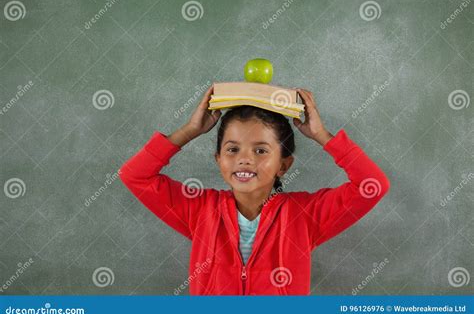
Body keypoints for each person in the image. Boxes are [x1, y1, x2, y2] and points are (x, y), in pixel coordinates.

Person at [119, 85, 390, 295]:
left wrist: (322, 135)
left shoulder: (304, 216)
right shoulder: (199, 211)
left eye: (261, 150)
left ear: (284, 165)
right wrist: (189, 130)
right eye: (233, 149)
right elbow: (135, 176)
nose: (244, 159)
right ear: (218, 160)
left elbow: (373, 186)